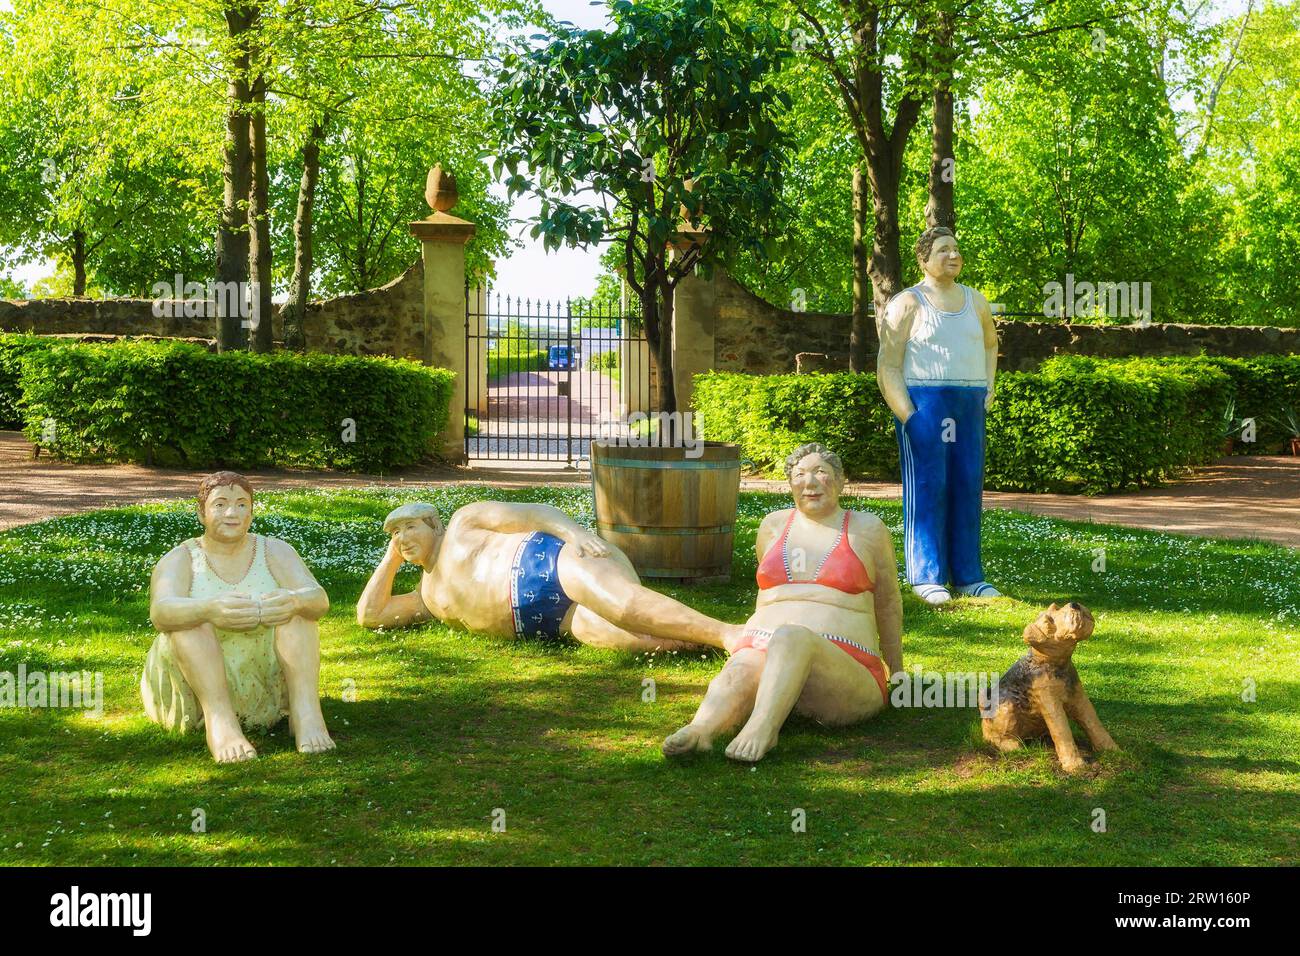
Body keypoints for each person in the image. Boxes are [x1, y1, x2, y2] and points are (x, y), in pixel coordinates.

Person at [663, 443, 903, 763]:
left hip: (846, 668)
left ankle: (763, 726)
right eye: (800, 474)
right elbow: (766, 596)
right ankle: (702, 729)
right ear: (790, 484)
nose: (810, 482)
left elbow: (887, 602)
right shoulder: (773, 525)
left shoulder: (867, 528)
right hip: (768, 655)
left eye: (821, 473)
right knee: (743, 664)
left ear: (841, 480)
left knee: (793, 636)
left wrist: (897, 673)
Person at [357, 499, 740, 652]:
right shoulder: (427, 594)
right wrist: (391, 559)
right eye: (395, 534)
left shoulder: (463, 522)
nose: (403, 538)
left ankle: (730, 633)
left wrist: (575, 533)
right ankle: (724, 642)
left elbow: (534, 513)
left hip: (557, 561)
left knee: (622, 606)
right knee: (644, 640)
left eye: (410, 528)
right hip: (555, 622)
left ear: (433, 524)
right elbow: (370, 616)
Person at [142, 471, 335, 763]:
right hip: (199, 660)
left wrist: (293, 601)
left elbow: (319, 600)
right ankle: (220, 722)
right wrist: (208, 609)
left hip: (262, 658)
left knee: (299, 615)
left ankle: (305, 713)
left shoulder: (275, 550)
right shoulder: (181, 557)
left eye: (242, 504)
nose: (232, 513)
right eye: (220, 505)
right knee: (189, 622)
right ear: (201, 513)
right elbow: (161, 612)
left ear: (252, 511)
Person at [876, 225, 1003, 605]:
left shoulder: (976, 301)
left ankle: (968, 574)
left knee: (967, 485)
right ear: (924, 258)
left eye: (956, 249)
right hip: (925, 403)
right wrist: (908, 415)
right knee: (929, 488)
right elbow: (888, 364)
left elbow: (991, 345)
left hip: (969, 403)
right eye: (944, 249)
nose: (953, 255)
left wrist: (988, 387)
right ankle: (926, 575)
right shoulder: (907, 303)